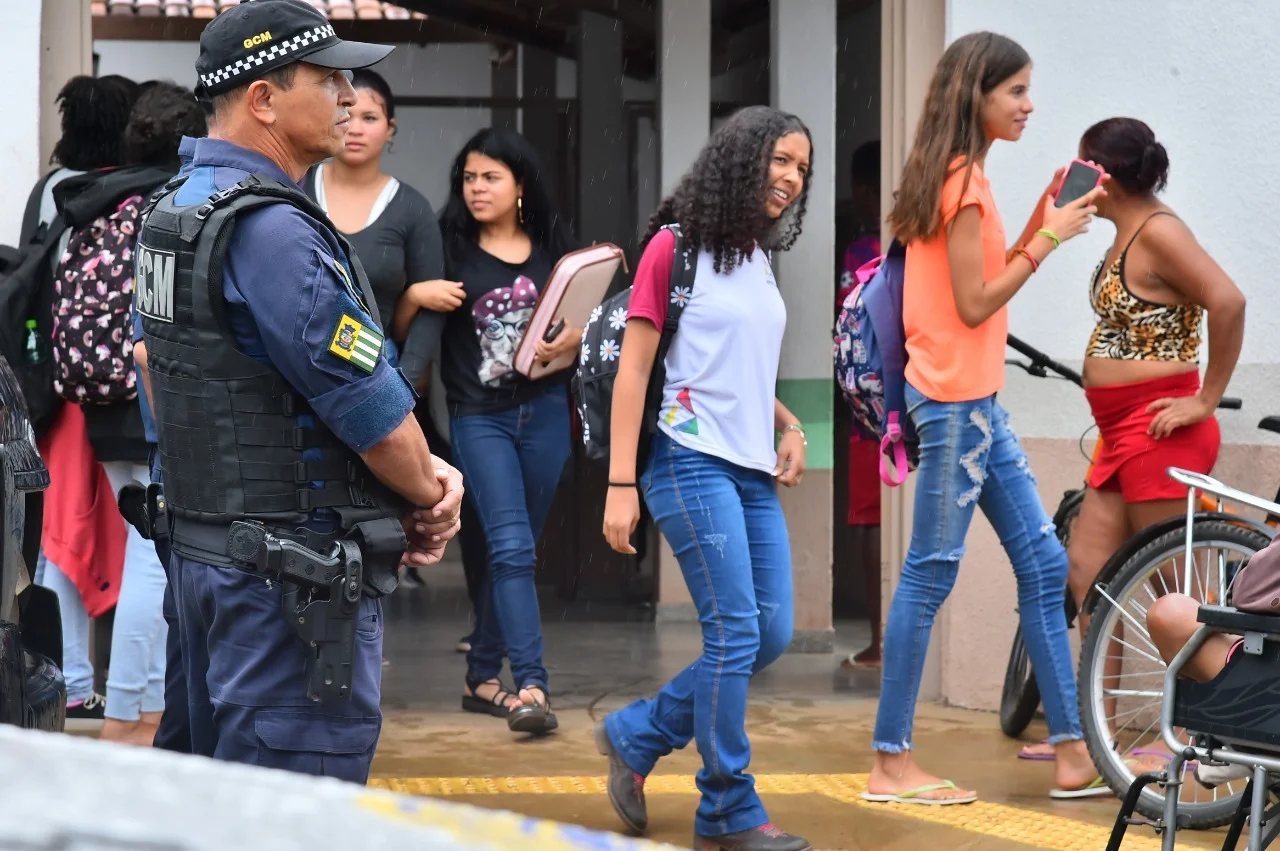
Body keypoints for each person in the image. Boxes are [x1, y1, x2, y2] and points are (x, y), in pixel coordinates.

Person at [134, 0, 461, 781]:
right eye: (328, 77)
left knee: (210, 807)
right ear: (264, 99)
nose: (349, 96)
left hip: (207, 561)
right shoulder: (274, 230)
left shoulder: (173, 211)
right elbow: (371, 408)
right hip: (287, 591)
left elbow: (153, 368)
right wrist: (428, 488)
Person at [862, 31, 1104, 805]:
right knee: (928, 577)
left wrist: (1043, 215)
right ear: (977, 95)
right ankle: (890, 761)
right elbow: (974, 303)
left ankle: (1070, 750)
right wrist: (1048, 242)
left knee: (1040, 566)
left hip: (974, 400)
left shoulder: (959, 176)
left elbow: (969, 285)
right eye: (1017, 92)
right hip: (958, 402)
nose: (1030, 106)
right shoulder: (960, 182)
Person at [599, 105, 813, 851]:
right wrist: (621, 485)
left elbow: (733, 367)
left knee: (771, 631)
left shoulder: (755, 257)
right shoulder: (672, 248)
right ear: (741, 158)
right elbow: (636, 370)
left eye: (801, 169)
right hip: (687, 460)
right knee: (734, 633)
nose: (790, 178)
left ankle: (637, 732)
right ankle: (726, 803)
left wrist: (789, 422)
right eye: (780, 160)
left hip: (750, 466)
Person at [1018, 119, 1246, 764]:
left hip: (1160, 432)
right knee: (1093, 576)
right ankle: (1101, 736)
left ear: (1106, 176)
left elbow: (1228, 301)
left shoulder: (1162, 232)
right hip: (1122, 435)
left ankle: (1222, 732)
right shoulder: (1130, 230)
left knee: (1174, 592)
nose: (1078, 175)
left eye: (1085, 167)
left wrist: (1204, 398)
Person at [395, 128, 577, 734]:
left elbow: (587, 315)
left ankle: (481, 674)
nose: (477, 188)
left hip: (548, 411)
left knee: (518, 549)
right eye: (470, 177)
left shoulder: (554, 245)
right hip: (480, 417)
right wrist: (415, 295)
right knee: (510, 546)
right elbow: (405, 325)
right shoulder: (448, 246)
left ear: (520, 185)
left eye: (490, 177)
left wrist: (576, 337)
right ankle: (532, 686)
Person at [300, 69, 485, 611]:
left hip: (377, 384)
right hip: (297, 377)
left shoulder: (411, 210)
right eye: (348, 112)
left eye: (371, 117)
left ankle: (356, 628)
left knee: (369, 509)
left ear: (391, 129)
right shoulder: (294, 191)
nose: (355, 126)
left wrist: (403, 385)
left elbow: (437, 310)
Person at [27, 73, 142, 727]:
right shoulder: (141, 193)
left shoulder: (53, 192)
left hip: (59, 383)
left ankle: (68, 679)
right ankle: (114, 679)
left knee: (60, 529)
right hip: (127, 379)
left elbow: (28, 282)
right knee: (132, 526)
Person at [838, 139, 884, 669]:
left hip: (866, 416)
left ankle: (878, 642)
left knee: (871, 523)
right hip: (911, 403)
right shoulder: (906, 249)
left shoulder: (859, 254)